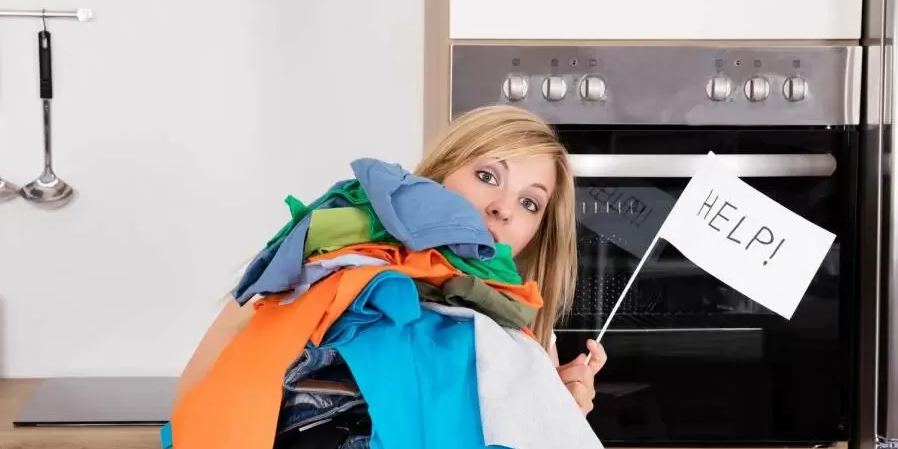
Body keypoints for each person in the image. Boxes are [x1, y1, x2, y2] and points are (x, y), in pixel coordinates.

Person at [175, 104, 607, 413]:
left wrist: (561, 409)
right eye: (487, 176)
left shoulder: (527, 334)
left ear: (537, 233)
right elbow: (197, 398)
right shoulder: (327, 265)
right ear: (439, 174)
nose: (503, 208)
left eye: (530, 203)